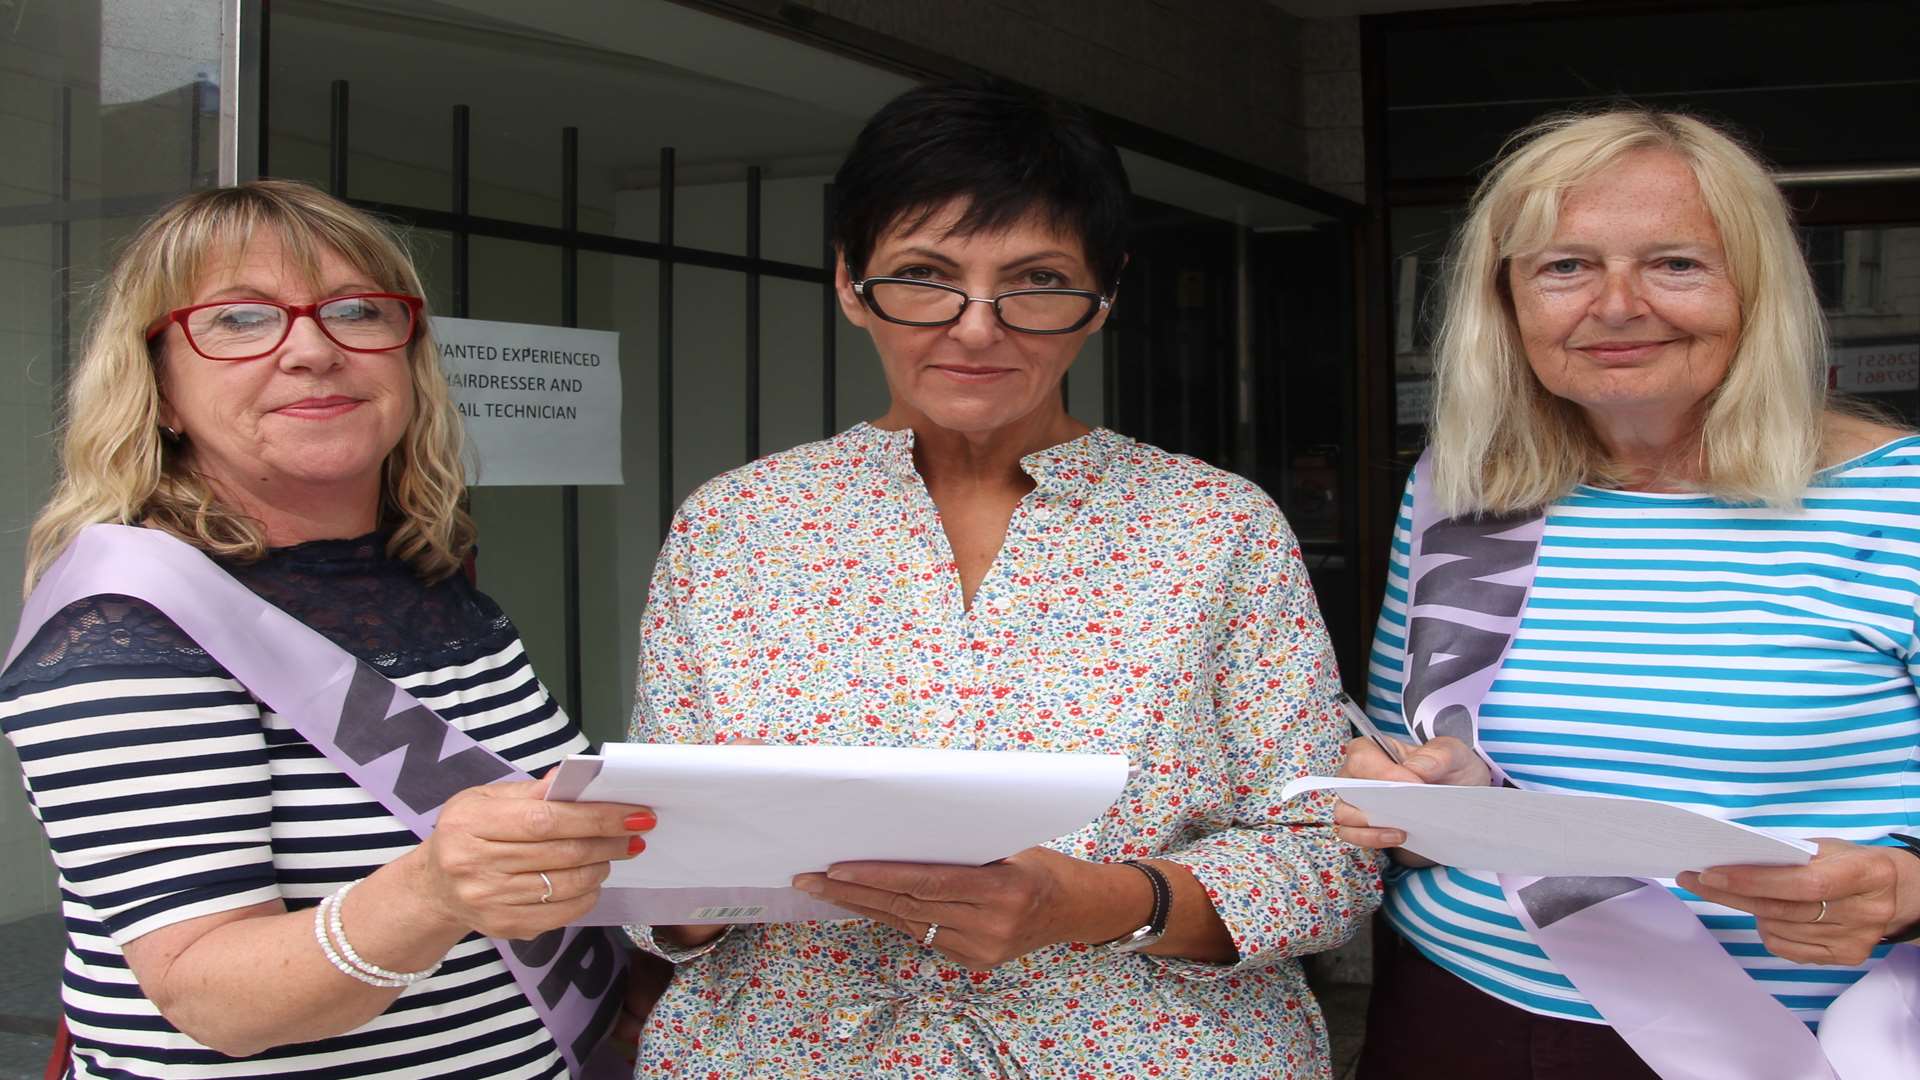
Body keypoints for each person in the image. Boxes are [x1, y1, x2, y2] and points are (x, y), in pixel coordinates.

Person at [622, 79, 1381, 1078]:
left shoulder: (1216, 527)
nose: (977, 327)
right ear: (850, 283)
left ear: (1104, 294)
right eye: (925, 275)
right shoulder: (734, 526)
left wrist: (1102, 903)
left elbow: (1325, 855)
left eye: (1034, 280)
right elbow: (656, 854)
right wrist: (669, 905)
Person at [0, 180, 666, 1078]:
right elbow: (214, 999)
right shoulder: (128, 625)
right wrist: (434, 887)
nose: (313, 350)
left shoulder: (423, 578)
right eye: (238, 319)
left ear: (407, 359)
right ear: (157, 387)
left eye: (357, 311)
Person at [1339, 109, 1920, 1078]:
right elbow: (1429, 752)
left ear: (1758, 287)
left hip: (1782, 1042)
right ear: (1508, 302)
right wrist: (1429, 786)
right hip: (1455, 1014)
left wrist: (1907, 886)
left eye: (1676, 263)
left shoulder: (1898, 500)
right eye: (1564, 266)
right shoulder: (1464, 490)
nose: (1616, 305)